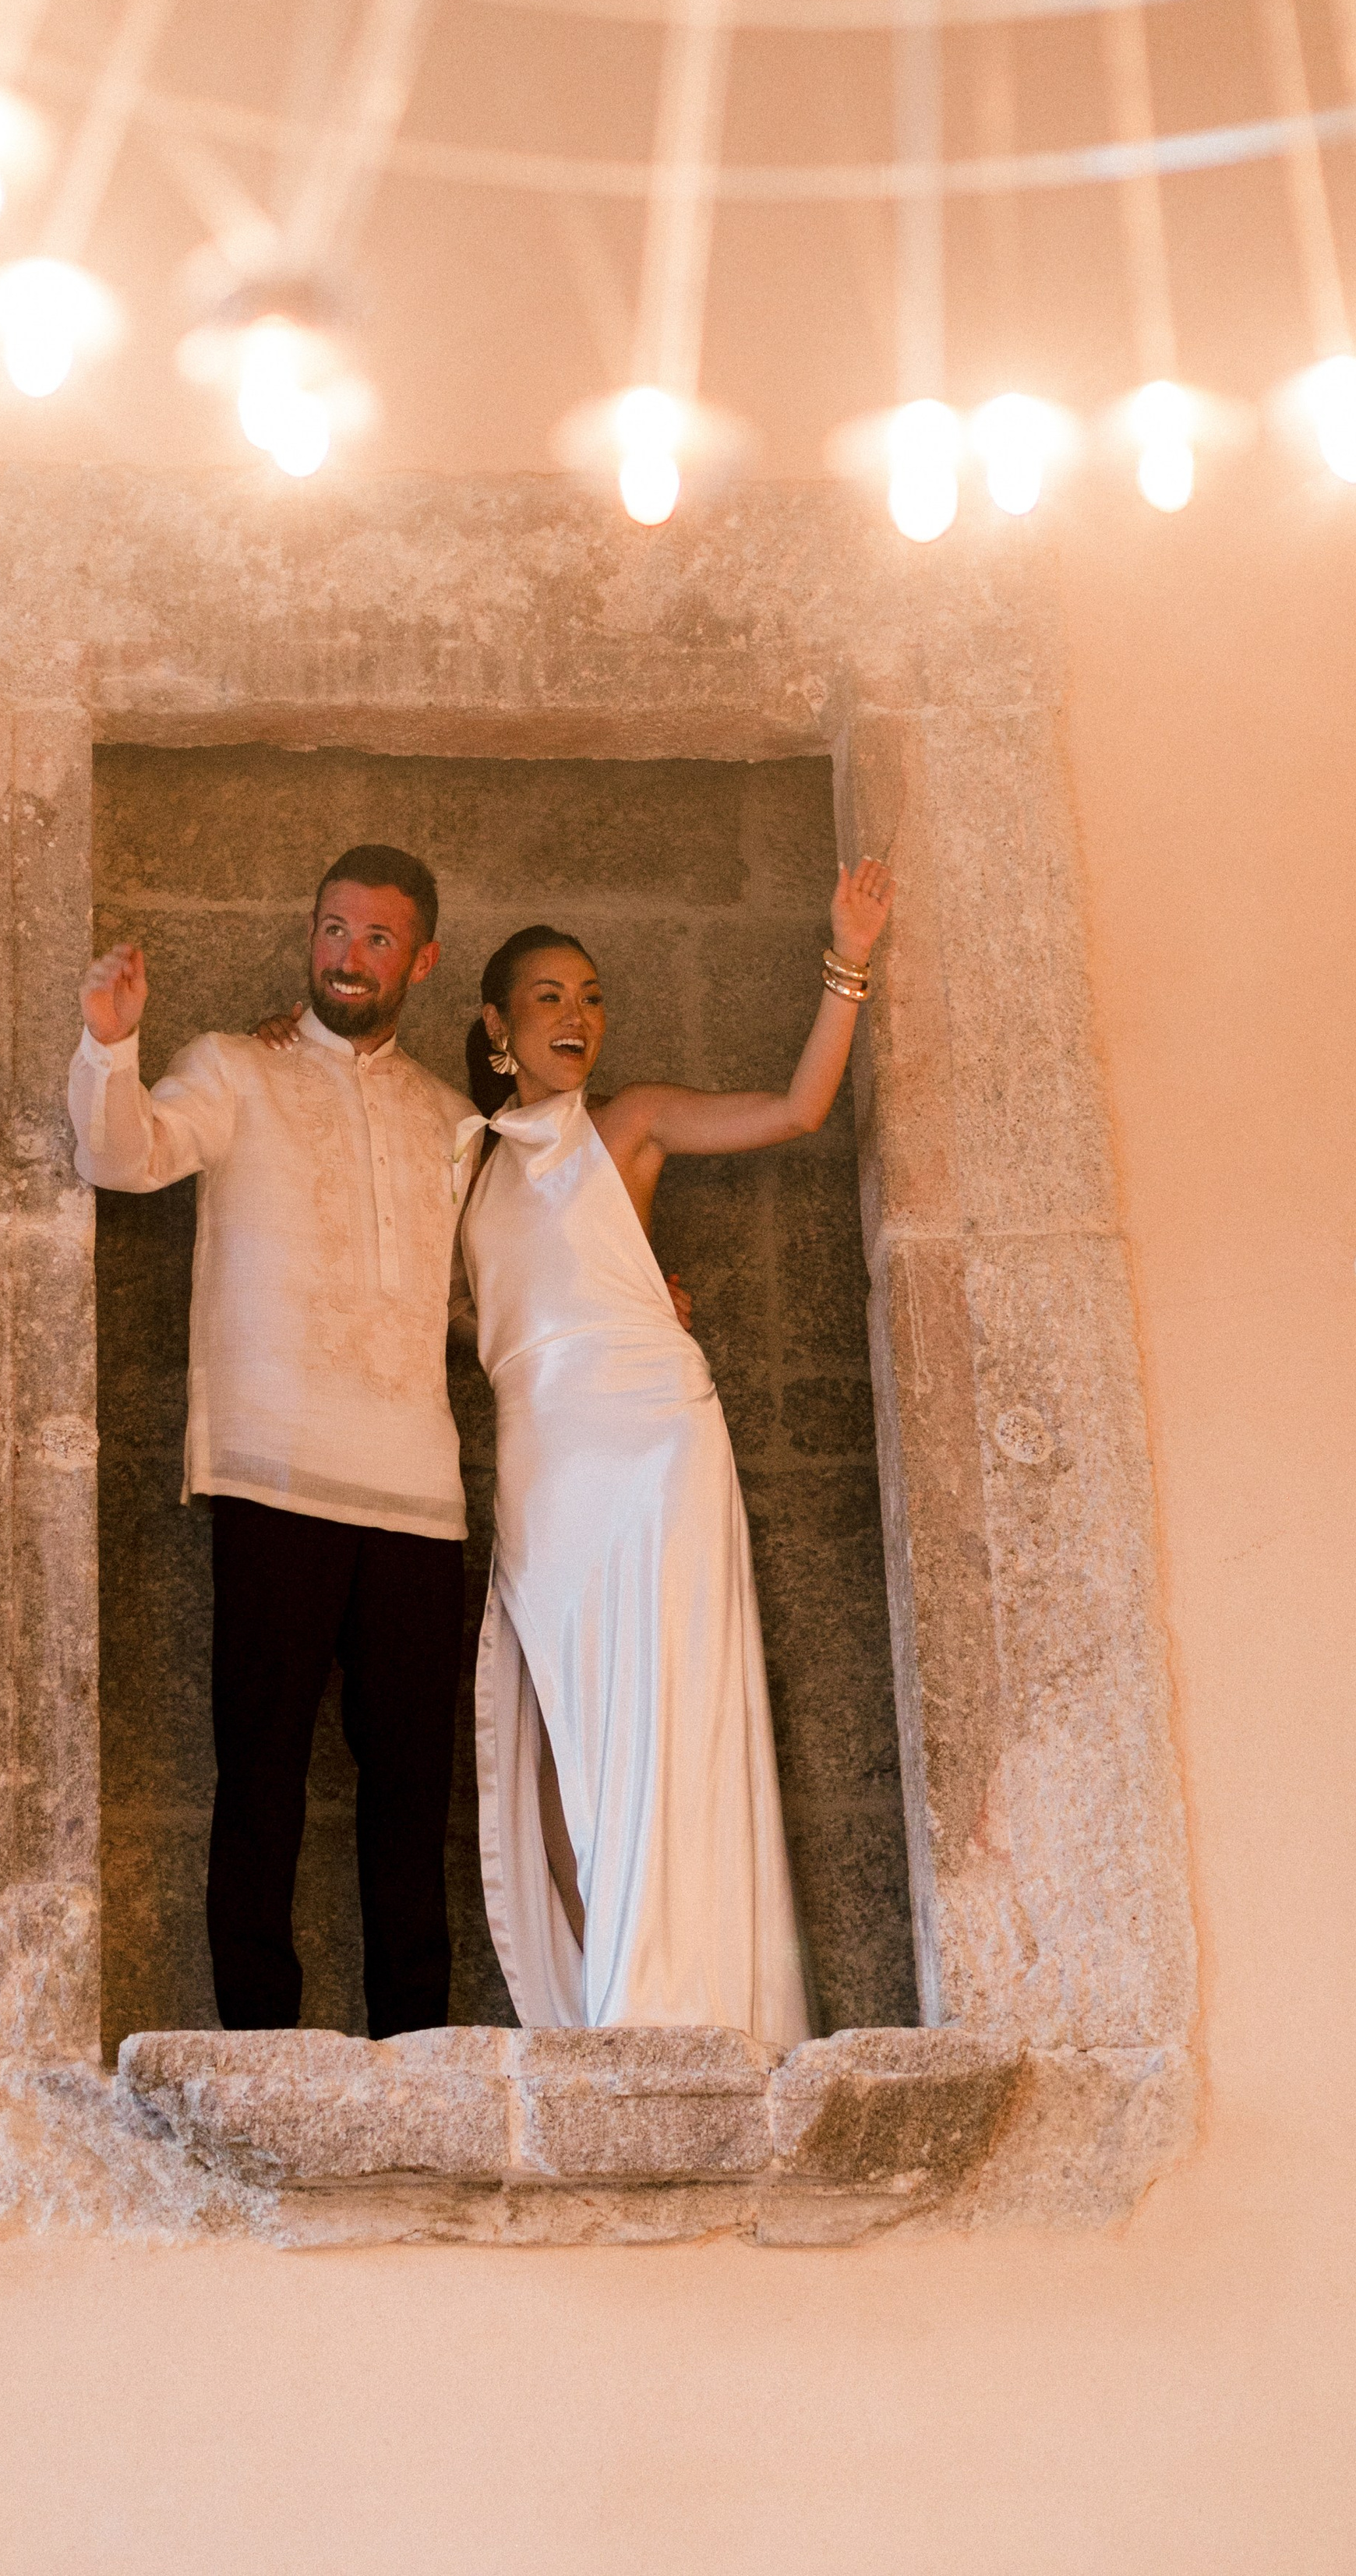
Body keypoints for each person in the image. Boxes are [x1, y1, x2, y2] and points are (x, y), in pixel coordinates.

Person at [456, 859, 895, 2045]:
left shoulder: (631, 1122)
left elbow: (797, 1111)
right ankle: (606, 1996)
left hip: (653, 1446)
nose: (576, 1018)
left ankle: (678, 2008)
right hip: (546, 1466)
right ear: (497, 1025)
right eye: (548, 998)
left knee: (667, 1709)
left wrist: (846, 958)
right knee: (562, 1733)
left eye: (591, 996)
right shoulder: (462, 1170)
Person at [68, 845, 475, 2040]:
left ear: (424, 959)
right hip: (273, 1474)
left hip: (420, 1499)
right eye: (333, 931)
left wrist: (627, 1303)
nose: (349, 958)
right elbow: (122, 1154)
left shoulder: (453, 1123)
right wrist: (110, 1045)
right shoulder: (232, 1067)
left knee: (413, 1802)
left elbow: (482, 1298)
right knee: (260, 1784)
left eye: (378, 938)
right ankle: (260, 2050)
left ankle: (420, 2051)